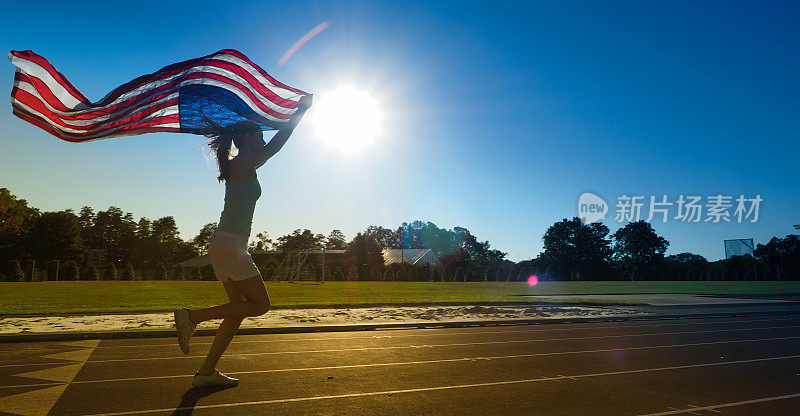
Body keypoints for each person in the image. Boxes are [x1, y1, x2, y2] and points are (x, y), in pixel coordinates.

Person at [174, 95, 312, 388]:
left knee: (235, 312)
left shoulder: (242, 164)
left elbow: (271, 146)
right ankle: (192, 317)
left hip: (225, 244)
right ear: (249, 138)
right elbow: (278, 144)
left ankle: (206, 372)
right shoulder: (244, 162)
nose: (264, 140)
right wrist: (301, 111)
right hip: (230, 245)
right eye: (260, 135)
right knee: (261, 305)